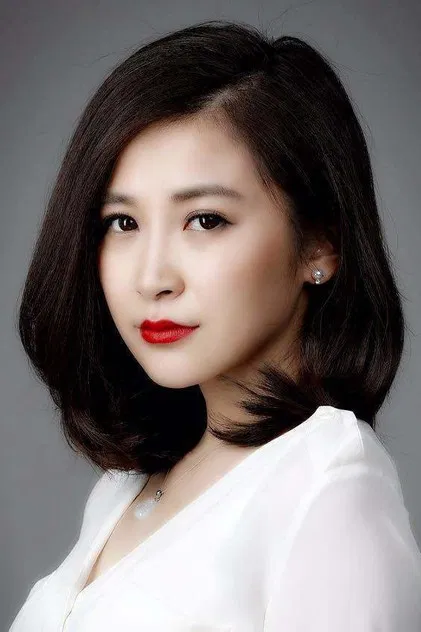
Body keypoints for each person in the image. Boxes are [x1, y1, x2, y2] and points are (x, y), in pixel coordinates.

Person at [9, 19, 421, 632]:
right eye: (123, 223)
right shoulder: (125, 488)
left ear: (320, 244)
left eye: (205, 220)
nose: (152, 278)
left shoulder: (328, 487)